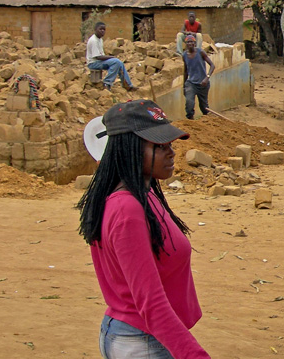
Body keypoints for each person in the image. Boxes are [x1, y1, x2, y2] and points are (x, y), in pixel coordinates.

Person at [76, 99, 210, 358]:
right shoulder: (127, 209)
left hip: (145, 335)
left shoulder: (143, 195)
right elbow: (151, 303)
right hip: (142, 341)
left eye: (169, 144)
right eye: (158, 146)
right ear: (129, 149)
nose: (171, 153)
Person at [86, 22, 136, 91]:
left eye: (104, 29)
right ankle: (107, 83)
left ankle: (127, 85)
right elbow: (98, 57)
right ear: (95, 29)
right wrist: (112, 57)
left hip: (98, 61)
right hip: (93, 63)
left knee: (120, 63)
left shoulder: (100, 39)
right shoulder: (94, 40)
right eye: (100, 29)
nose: (102, 31)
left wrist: (112, 58)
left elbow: (101, 56)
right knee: (116, 62)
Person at [182, 34, 215, 120]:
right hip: (191, 83)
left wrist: (207, 78)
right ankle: (191, 122)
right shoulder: (184, 55)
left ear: (194, 43)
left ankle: (208, 121)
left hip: (202, 84)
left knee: (204, 107)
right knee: (189, 103)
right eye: (188, 42)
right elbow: (185, 71)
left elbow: (212, 65)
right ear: (186, 44)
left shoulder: (200, 52)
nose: (190, 44)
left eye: (191, 42)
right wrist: (184, 86)